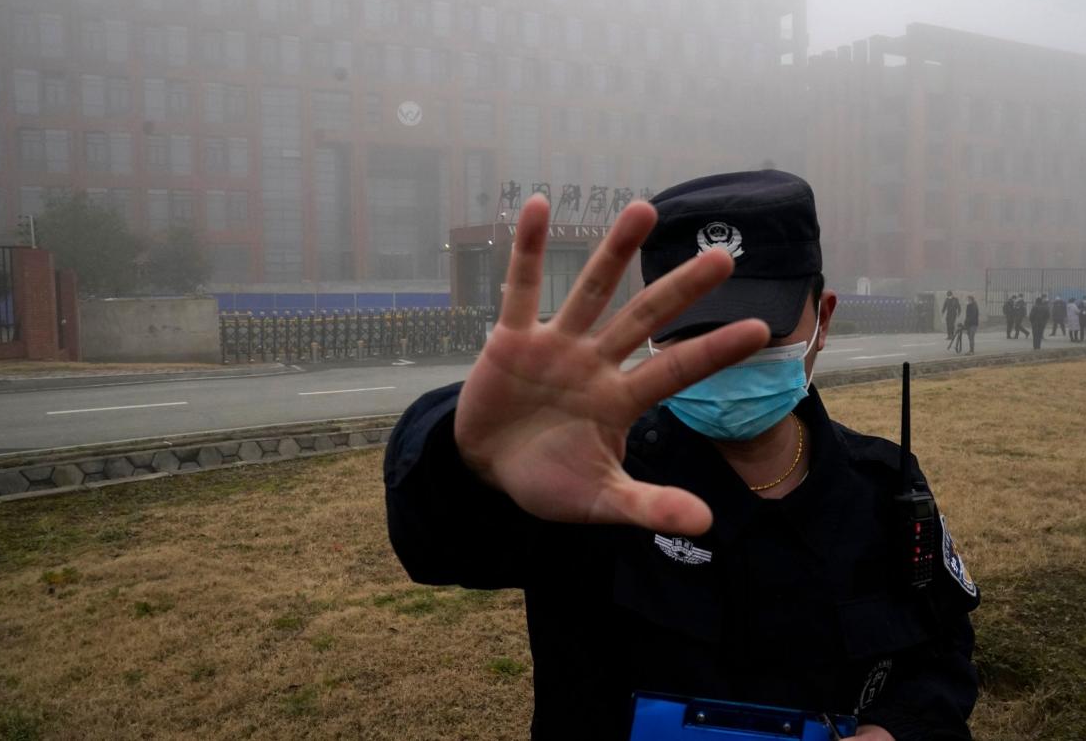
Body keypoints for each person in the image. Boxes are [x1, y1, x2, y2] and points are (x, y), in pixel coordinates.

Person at [383, 171, 980, 741]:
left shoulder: (882, 487)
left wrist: (899, 729)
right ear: (653, 332)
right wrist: (470, 458)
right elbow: (436, 544)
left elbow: (941, 655)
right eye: (692, 330)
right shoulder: (592, 479)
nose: (720, 358)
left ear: (821, 318)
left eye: (756, 328)